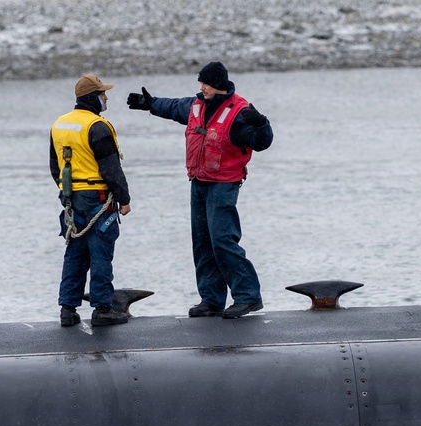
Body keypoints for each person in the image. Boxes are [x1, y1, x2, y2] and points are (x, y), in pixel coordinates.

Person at [127, 61, 273, 319]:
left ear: (218, 85)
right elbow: (173, 107)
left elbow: (262, 143)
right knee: (202, 243)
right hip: (199, 182)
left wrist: (261, 124)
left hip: (223, 184)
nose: (201, 87)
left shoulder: (240, 112)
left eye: (205, 83)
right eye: (200, 82)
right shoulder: (196, 105)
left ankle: (248, 297)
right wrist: (149, 104)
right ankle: (212, 300)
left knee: (222, 241)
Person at [50, 74, 133, 327]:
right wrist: (124, 199)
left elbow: (55, 166)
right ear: (92, 98)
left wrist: (68, 192)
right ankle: (102, 309)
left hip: (71, 200)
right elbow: (111, 169)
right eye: (103, 94)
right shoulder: (97, 126)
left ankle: (68, 309)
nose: (106, 98)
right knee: (100, 254)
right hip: (98, 198)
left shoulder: (59, 124)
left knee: (74, 254)